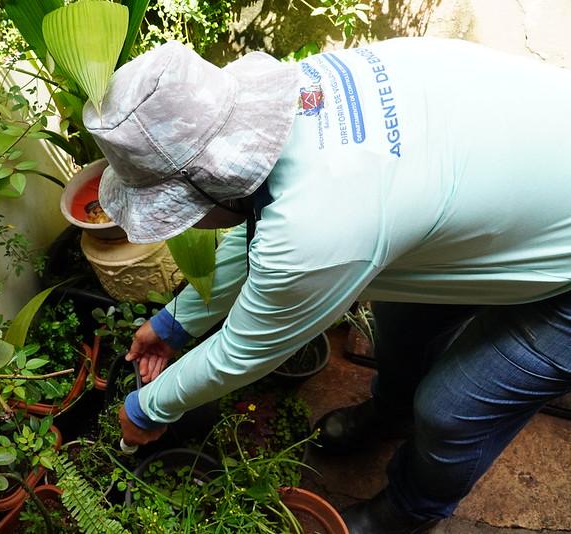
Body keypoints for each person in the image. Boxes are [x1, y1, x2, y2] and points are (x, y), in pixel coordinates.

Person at [81, 38, 571, 533]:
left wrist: (146, 408)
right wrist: (174, 323)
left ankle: (410, 509)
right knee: (401, 323)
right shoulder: (293, 98)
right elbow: (258, 225)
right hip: (510, 174)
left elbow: (243, 350)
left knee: (453, 409)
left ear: (209, 187)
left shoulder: (320, 222)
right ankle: (392, 414)